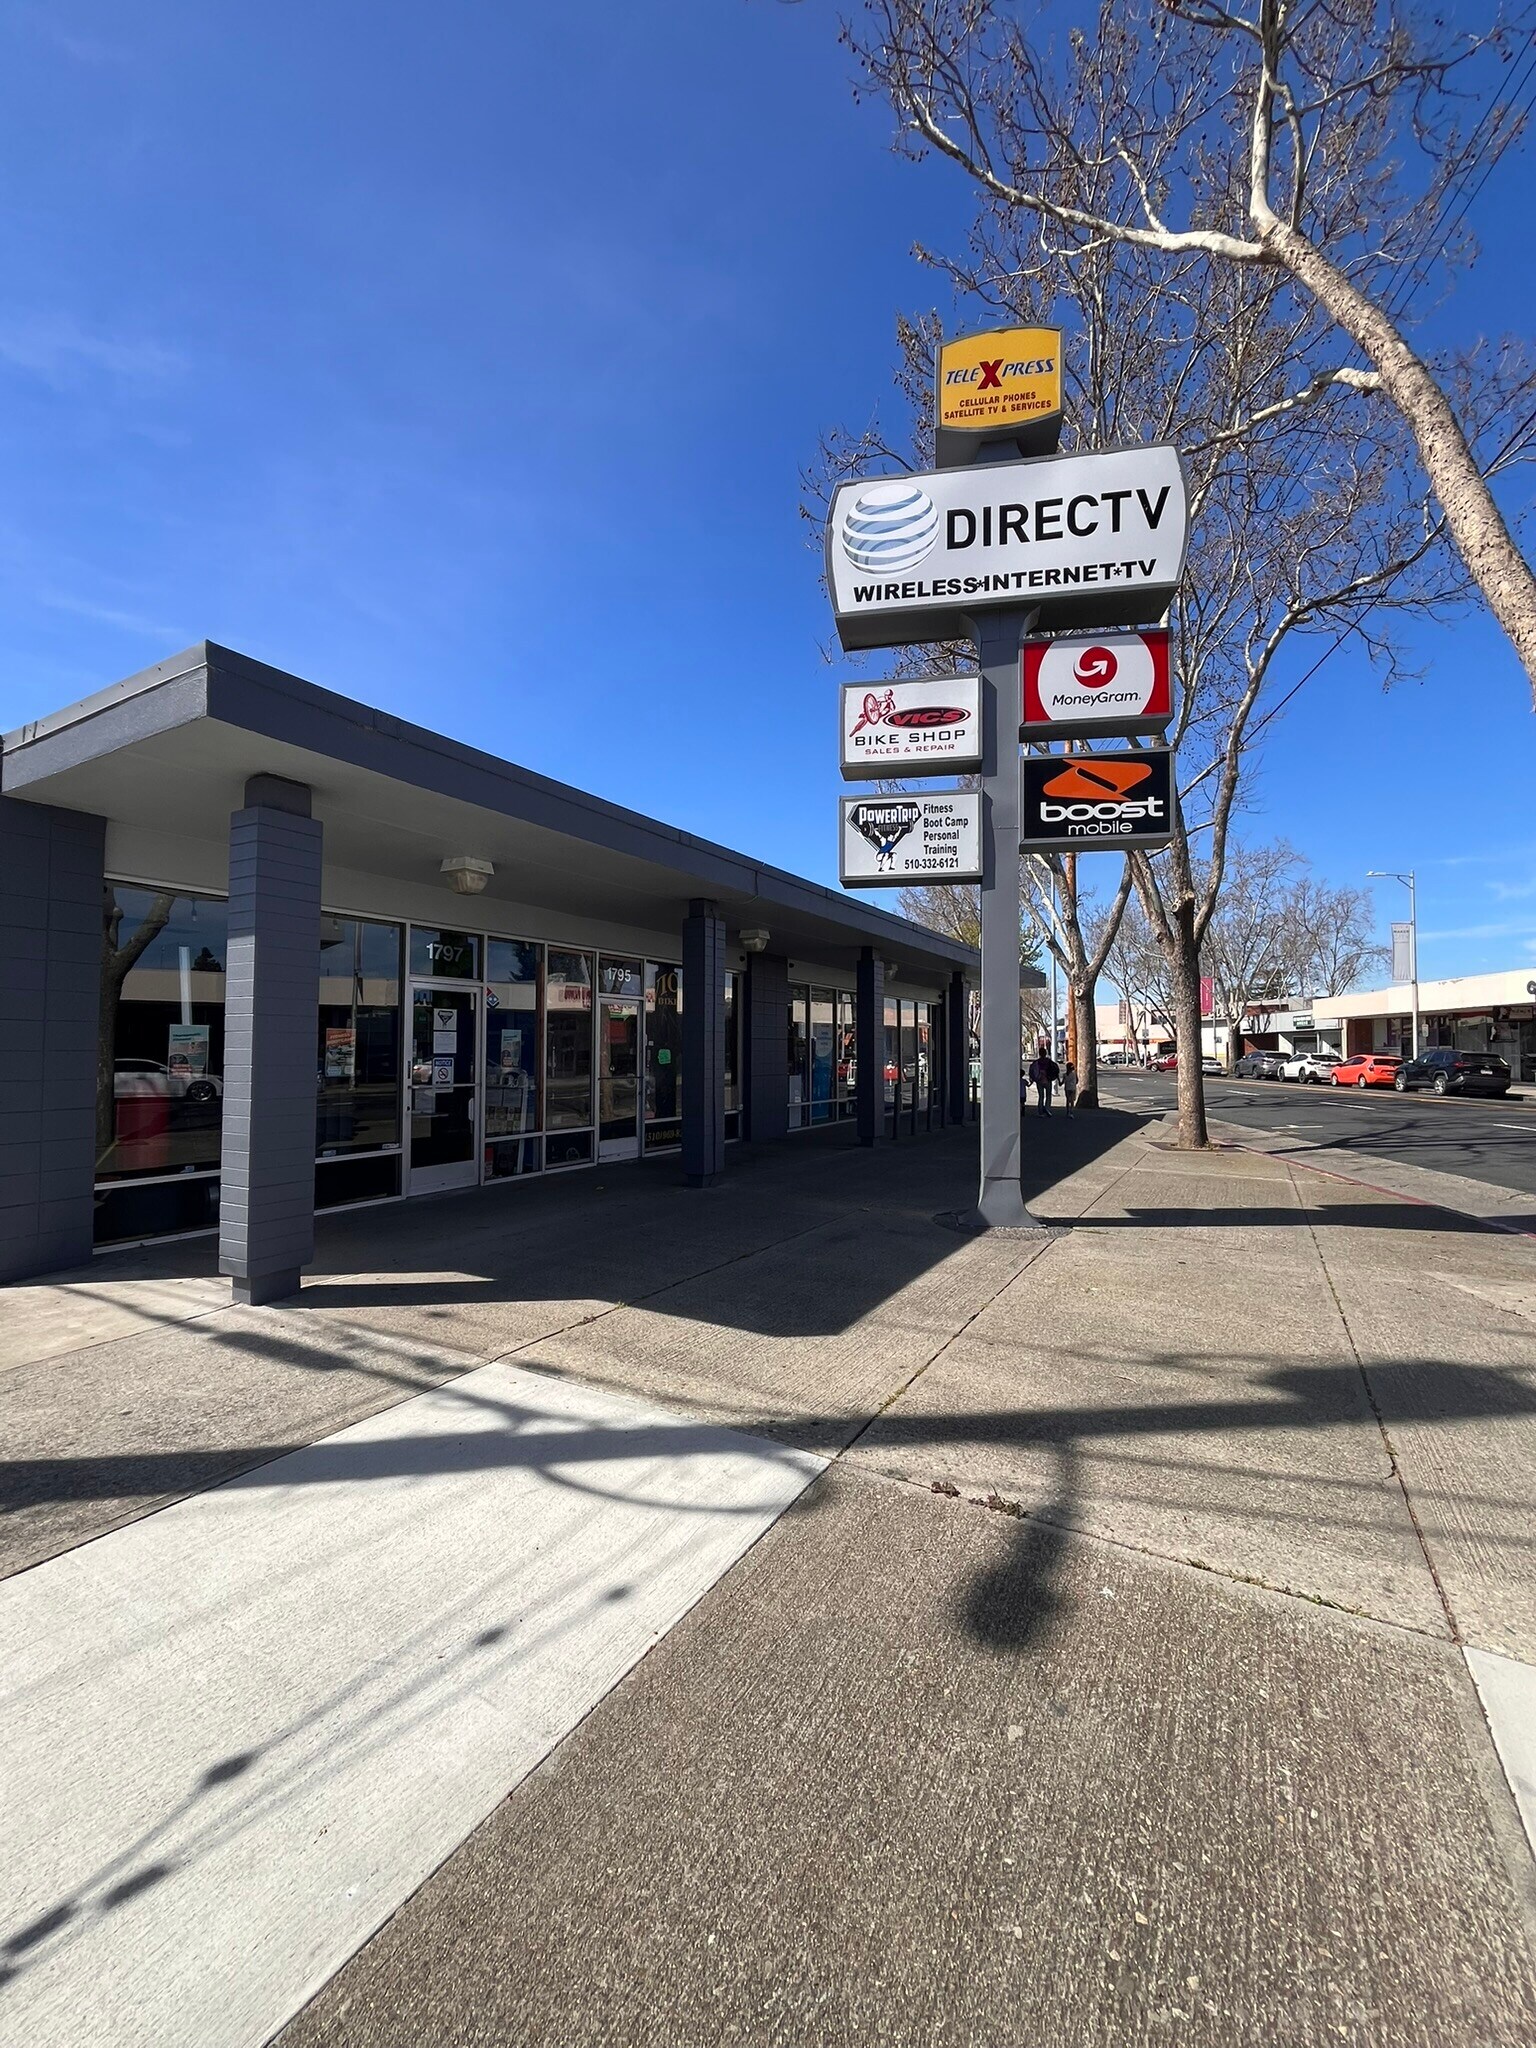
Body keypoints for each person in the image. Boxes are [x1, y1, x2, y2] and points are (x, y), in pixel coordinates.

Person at [1027, 1044, 1060, 1117]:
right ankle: (1047, 1109)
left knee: (1041, 1096)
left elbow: (1031, 1070)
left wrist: (1032, 1079)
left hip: (1039, 1080)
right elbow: (1055, 1069)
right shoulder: (1049, 1062)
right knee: (1048, 1095)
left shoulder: (1036, 1063)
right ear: (1046, 1053)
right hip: (1048, 1080)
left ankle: (1040, 1111)